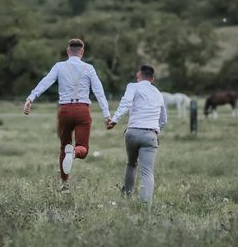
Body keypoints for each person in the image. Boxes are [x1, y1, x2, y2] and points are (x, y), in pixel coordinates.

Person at [23, 38, 111, 191]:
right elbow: (99, 92)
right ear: (82, 52)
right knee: (82, 148)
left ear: (68, 51)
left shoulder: (59, 66)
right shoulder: (89, 68)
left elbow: (45, 82)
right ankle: (75, 153)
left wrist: (31, 98)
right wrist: (106, 115)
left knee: (64, 146)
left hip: (64, 110)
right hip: (83, 110)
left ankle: (64, 184)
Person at [107, 64, 167, 204]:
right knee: (147, 171)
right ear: (152, 79)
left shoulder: (133, 86)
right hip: (150, 134)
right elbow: (163, 119)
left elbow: (126, 103)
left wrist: (114, 120)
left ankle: (127, 195)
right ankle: (145, 205)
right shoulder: (158, 93)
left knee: (131, 163)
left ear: (138, 75)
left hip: (132, 133)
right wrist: (155, 130)